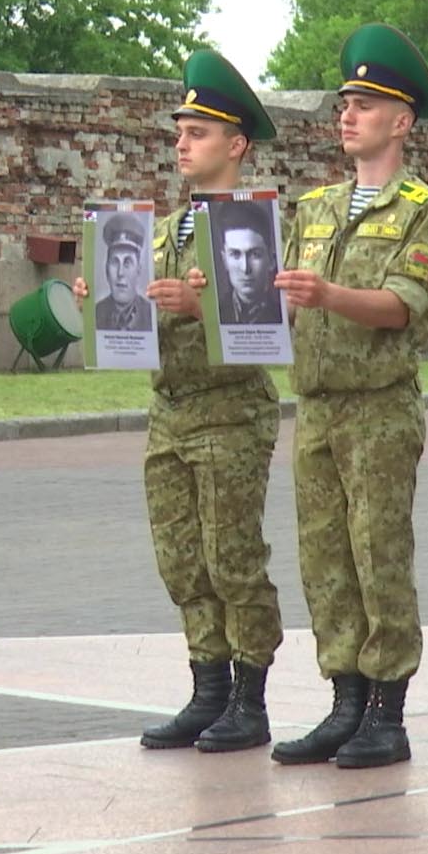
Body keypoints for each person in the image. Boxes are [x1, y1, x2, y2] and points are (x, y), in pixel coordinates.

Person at [73, 49, 284, 753]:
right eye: (179, 131)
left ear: (236, 144)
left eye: (198, 132)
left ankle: (250, 700)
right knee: (182, 560)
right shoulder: (157, 233)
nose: (182, 144)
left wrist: (203, 306)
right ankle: (208, 688)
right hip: (171, 413)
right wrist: (106, 307)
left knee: (232, 559)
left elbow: (266, 325)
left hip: (230, 412)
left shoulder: (253, 227)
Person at [265, 23, 428, 770]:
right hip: (317, 405)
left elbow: (404, 306)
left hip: (377, 406)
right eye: (345, 103)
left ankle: (386, 711)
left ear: (401, 122)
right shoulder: (314, 208)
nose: (348, 115)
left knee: (378, 554)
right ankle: (344, 700)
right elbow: (278, 303)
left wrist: (332, 293)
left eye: (366, 104)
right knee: (325, 559)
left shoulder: (424, 209)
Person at [213, 200, 284, 325]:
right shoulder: (213, 315)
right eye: (235, 254)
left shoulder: (284, 316)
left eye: (255, 254)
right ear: (224, 260)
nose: (245, 268)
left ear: (271, 260)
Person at [93, 214, 154, 331]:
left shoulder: (151, 315)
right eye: (115, 262)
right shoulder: (95, 313)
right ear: (106, 269)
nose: (120, 273)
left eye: (127, 263)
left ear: (138, 269)